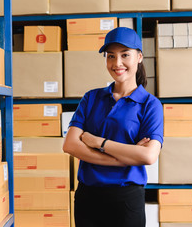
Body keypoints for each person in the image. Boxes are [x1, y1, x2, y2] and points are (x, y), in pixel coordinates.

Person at [63, 27, 164, 227]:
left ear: (139, 57)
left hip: (126, 199)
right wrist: (124, 158)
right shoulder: (91, 97)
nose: (117, 63)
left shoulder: (150, 104)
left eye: (125, 55)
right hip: (88, 197)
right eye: (111, 56)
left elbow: (148, 156)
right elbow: (70, 145)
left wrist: (98, 142)